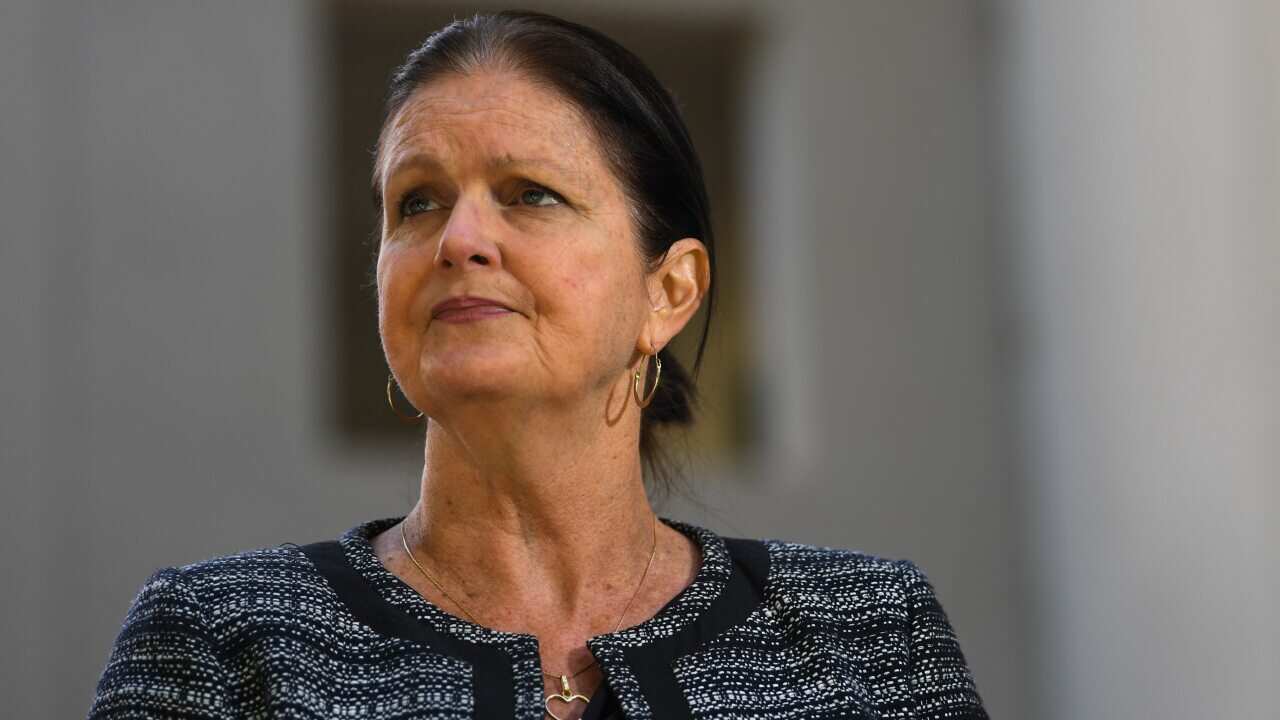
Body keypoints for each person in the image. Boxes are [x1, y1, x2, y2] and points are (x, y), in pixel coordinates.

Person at [87, 10, 988, 720]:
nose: (461, 239)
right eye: (419, 202)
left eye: (532, 194)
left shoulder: (867, 632)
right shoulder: (219, 642)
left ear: (668, 294)